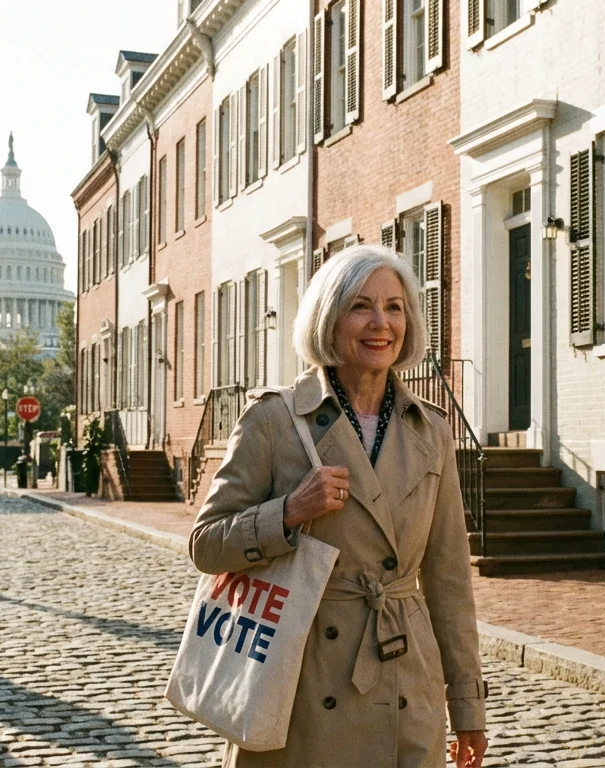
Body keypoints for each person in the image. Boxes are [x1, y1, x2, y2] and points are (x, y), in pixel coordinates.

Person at [188, 246, 489, 768]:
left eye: (395, 307)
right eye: (361, 306)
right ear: (329, 317)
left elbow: (449, 580)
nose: (381, 324)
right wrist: (288, 511)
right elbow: (206, 544)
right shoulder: (275, 419)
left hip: (404, 683)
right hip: (301, 683)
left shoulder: (432, 429)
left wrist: (467, 707)